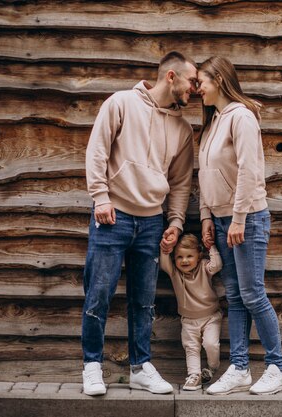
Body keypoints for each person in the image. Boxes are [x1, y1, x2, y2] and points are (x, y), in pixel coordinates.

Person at [81, 51, 197, 396]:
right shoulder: (121, 103)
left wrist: (175, 221)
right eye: (192, 81)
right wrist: (100, 197)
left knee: (143, 300)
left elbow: (180, 183)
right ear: (171, 77)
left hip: (151, 223)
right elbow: (97, 150)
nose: (196, 88)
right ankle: (92, 365)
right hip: (112, 216)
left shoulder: (183, 129)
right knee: (98, 293)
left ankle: (140, 367)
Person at [196, 56, 282, 396]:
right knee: (234, 296)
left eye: (201, 81)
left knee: (252, 293)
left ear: (218, 79)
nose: (196, 89)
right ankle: (239, 368)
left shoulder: (242, 117)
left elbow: (251, 171)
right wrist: (207, 217)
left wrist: (237, 218)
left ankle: (277, 367)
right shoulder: (213, 122)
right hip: (221, 221)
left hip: (246, 219)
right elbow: (204, 175)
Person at [159, 234, 223, 391]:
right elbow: (164, 262)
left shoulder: (204, 267)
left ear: (199, 255)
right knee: (191, 347)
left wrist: (211, 247)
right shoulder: (175, 272)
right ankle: (194, 376)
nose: (184, 260)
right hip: (188, 320)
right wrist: (166, 245)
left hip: (211, 317)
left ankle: (212, 367)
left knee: (211, 344)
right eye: (179, 257)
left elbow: (217, 265)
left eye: (189, 256)